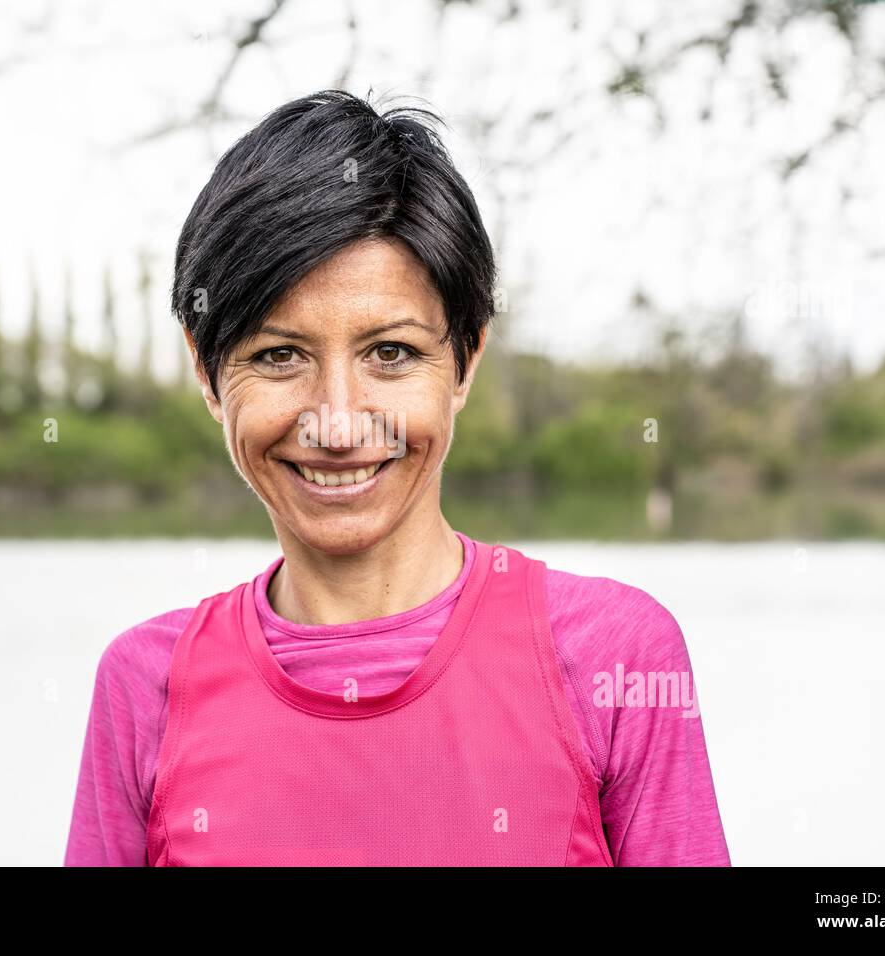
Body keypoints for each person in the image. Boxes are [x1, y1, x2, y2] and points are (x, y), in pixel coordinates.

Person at [64, 89, 730, 866]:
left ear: (466, 359)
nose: (339, 423)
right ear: (207, 374)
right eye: (279, 356)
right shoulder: (144, 687)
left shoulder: (616, 657)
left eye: (392, 354)